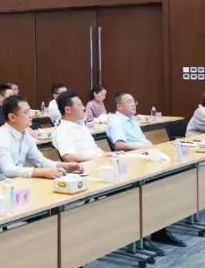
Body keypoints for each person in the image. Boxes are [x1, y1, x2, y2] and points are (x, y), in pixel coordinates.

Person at [106, 92, 192, 246]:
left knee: (175, 176)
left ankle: (160, 228)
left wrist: (151, 147)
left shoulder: (132, 120)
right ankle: (152, 232)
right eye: (129, 101)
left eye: (134, 101)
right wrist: (144, 148)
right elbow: (119, 145)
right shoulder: (116, 122)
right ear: (119, 106)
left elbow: (142, 141)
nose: (133, 104)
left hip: (146, 156)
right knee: (158, 188)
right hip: (133, 162)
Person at [0, 96, 81, 182]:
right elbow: (8, 170)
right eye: (26, 112)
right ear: (12, 117)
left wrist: (63, 165)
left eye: (30, 111)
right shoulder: (0, 138)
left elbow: (40, 161)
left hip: (14, 180)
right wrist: (42, 172)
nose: (31, 115)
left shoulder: (25, 135)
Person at [52, 91, 104, 163]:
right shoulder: (62, 130)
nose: (83, 108)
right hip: (85, 166)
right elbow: (68, 157)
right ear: (67, 110)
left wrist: (107, 154)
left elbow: (95, 149)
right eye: (79, 105)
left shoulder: (81, 125)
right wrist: (96, 157)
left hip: (98, 162)